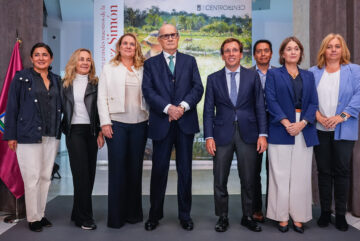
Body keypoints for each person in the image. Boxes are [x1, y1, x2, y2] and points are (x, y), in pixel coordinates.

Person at [142, 24, 203, 231]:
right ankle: (154, 215)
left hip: (185, 124)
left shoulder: (190, 61)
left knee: (185, 171)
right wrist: (168, 109)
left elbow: (198, 88)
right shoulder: (150, 64)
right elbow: (148, 91)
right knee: (159, 171)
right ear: (159, 40)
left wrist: (182, 107)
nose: (169, 38)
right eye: (165, 36)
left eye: (173, 35)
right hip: (162, 124)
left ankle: (185, 216)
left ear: (178, 37)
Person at [203, 38, 267, 233]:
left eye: (235, 50)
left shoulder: (252, 76)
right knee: (219, 178)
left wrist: (263, 134)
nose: (231, 54)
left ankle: (247, 216)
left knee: (248, 178)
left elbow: (259, 107)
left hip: (249, 133)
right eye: (227, 51)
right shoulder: (213, 79)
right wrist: (208, 137)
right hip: (222, 134)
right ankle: (222, 216)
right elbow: (207, 111)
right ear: (222, 55)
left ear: (241, 54)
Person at [4, 42, 62, 232]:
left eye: (45, 54)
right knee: (32, 177)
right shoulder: (21, 78)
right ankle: (33, 218)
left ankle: (41, 214)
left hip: (51, 135)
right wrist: (11, 135)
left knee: (46, 177)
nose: (41, 58)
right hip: (27, 135)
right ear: (31, 58)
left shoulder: (56, 79)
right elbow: (12, 107)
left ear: (51, 58)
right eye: (37, 55)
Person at [265, 36, 319, 233]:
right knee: (280, 174)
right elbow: (270, 100)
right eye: (289, 49)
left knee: (301, 175)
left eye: (296, 48)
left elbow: (314, 103)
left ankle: (299, 216)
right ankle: (281, 216)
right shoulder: (273, 74)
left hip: (304, 129)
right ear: (282, 54)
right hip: (281, 128)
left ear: (300, 53)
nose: (293, 51)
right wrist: (288, 123)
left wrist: (302, 123)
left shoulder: (309, 76)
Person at [309, 33, 360, 231]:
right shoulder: (313, 72)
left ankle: (340, 214)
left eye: (337, 46)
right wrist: (318, 116)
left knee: (342, 171)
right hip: (320, 129)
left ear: (342, 49)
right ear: (323, 49)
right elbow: (307, 97)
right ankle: (324, 212)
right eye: (329, 46)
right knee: (323, 172)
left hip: (344, 129)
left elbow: (359, 95)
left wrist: (342, 116)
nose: (333, 50)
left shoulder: (354, 71)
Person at [97, 33, 148, 228]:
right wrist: (105, 122)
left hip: (140, 123)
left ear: (136, 48)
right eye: (125, 43)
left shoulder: (143, 68)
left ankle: (133, 215)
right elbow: (102, 97)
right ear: (119, 47)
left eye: (132, 44)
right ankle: (116, 218)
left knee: (135, 170)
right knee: (118, 171)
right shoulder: (110, 68)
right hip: (116, 124)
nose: (128, 46)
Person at [61, 48, 104, 230]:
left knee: (90, 174)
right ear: (74, 62)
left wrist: (101, 131)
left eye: (88, 59)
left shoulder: (97, 83)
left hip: (92, 132)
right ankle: (85, 218)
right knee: (81, 175)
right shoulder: (64, 84)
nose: (85, 62)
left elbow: (101, 109)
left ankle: (76, 212)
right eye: (81, 59)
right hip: (75, 132)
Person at [249, 39, 275, 222]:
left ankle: (274, 209)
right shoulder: (247, 74)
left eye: (266, 50)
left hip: (276, 124)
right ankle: (256, 208)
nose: (263, 54)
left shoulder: (279, 74)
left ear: (271, 54)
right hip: (253, 125)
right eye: (259, 51)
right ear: (254, 55)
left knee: (275, 169)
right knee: (254, 170)